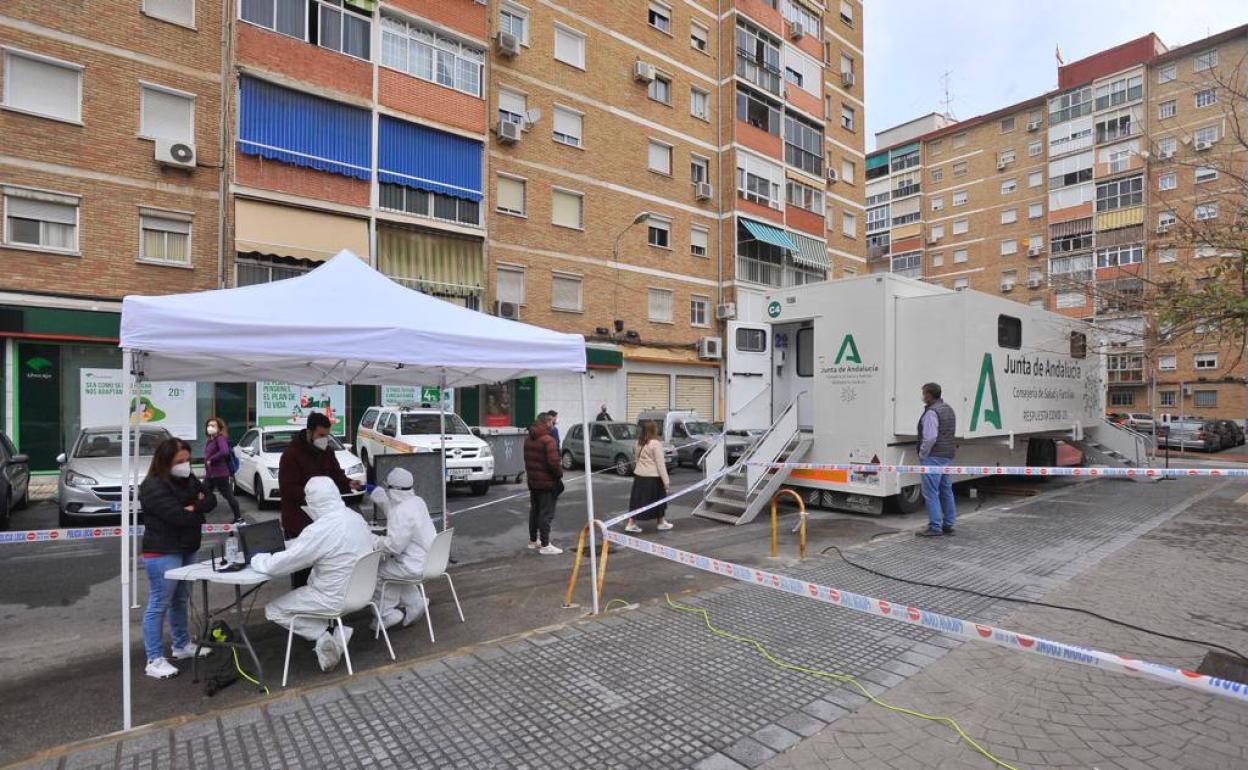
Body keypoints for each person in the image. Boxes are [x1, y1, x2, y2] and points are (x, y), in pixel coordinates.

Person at [252, 477, 375, 672]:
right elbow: (310, 547)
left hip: (332, 599)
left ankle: (324, 635)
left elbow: (281, 565)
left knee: (274, 610)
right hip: (362, 593)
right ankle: (336, 635)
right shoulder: (355, 518)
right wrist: (293, 546)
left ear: (312, 502)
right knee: (309, 593)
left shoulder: (320, 529)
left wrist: (258, 559)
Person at [138, 437, 217, 679]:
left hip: (187, 547)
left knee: (180, 599)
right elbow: (177, 517)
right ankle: (154, 659)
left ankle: (181, 645)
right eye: (179, 461)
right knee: (159, 603)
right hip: (163, 551)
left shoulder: (188, 478)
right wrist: (195, 508)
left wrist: (194, 507)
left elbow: (211, 499)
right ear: (165, 462)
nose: (185, 465)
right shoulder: (152, 486)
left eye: (187, 460)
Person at [278, 412, 362, 588]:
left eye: (327, 435)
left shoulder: (327, 451)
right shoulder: (291, 454)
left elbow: (336, 474)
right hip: (299, 519)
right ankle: (301, 595)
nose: (324, 439)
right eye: (321, 435)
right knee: (302, 566)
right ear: (309, 432)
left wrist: (348, 483)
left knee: (325, 563)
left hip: (325, 518)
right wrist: (315, 495)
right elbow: (287, 489)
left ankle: (323, 595)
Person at [369, 467, 437, 631]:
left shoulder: (401, 511)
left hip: (414, 566)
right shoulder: (418, 502)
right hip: (431, 561)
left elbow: (393, 547)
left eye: (387, 487)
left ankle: (386, 614)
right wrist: (370, 489)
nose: (386, 490)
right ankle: (415, 603)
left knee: (378, 572)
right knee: (394, 570)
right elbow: (391, 507)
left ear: (393, 489)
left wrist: (373, 539)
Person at [916, 382, 957, 537]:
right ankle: (948, 523)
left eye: (924, 393)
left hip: (933, 457)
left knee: (931, 493)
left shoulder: (931, 412)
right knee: (946, 490)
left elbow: (930, 437)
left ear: (929, 395)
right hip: (946, 455)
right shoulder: (948, 409)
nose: (922, 396)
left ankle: (935, 527)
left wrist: (923, 453)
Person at [523, 413, 563, 555]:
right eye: (551, 421)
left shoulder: (528, 439)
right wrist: (559, 474)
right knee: (546, 514)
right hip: (547, 483)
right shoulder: (548, 440)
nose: (553, 424)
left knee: (535, 511)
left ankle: (533, 540)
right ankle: (545, 545)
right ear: (546, 422)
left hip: (533, 482)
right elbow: (554, 463)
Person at [624, 420, 673, 533]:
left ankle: (631, 523)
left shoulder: (638, 443)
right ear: (653, 430)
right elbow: (660, 464)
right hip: (653, 477)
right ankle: (660, 522)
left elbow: (636, 459)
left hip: (640, 476)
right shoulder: (655, 444)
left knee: (637, 501)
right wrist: (666, 481)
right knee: (659, 500)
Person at [202, 417, 243, 524]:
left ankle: (238, 518)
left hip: (220, 474)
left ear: (219, 428)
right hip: (210, 474)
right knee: (203, 493)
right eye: (208, 425)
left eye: (213, 426)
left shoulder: (220, 438)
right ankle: (199, 518)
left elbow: (224, 451)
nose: (210, 427)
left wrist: (211, 459)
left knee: (228, 495)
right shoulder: (211, 440)